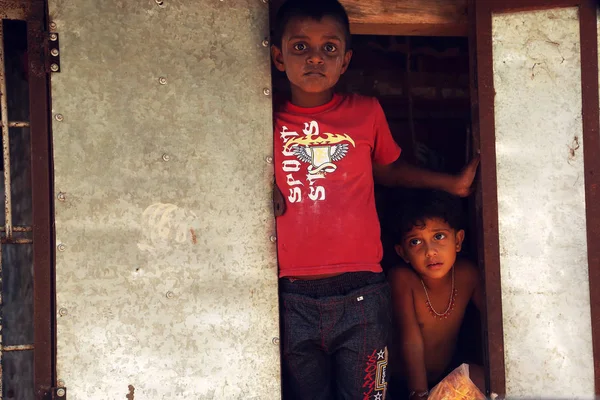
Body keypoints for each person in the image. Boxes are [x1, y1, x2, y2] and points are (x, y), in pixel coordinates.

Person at [270, 1, 479, 398]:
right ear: (278, 57)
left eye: (329, 48)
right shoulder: (264, 117)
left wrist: (451, 184)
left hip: (363, 290)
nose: (315, 57)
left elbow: (389, 169)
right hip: (292, 292)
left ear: (346, 60)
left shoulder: (365, 112)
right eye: (300, 47)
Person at [387, 190, 484, 399]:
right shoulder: (403, 280)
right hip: (404, 386)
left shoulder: (468, 275)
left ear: (458, 241)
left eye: (439, 237)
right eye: (415, 242)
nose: (430, 251)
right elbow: (410, 340)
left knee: (479, 376)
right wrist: (419, 393)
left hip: (443, 378)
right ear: (402, 252)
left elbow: (496, 320)